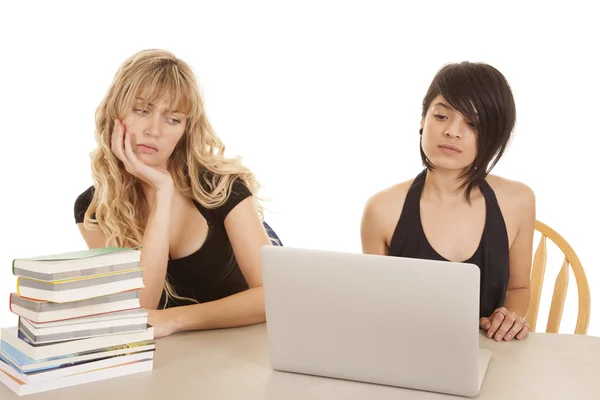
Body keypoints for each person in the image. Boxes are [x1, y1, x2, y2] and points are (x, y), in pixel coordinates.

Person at [74, 49, 282, 338]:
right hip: (174, 359)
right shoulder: (95, 208)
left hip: (250, 345)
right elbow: (139, 309)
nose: (154, 130)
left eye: (172, 119)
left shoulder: (222, 186)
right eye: (141, 110)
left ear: (185, 130)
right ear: (115, 113)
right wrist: (162, 193)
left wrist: (175, 319)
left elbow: (274, 296)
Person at [360, 62, 535, 342]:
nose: (453, 131)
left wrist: (509, 318)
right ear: (422, 119)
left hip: (489, 356)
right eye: (442, 116)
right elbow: (375, 306)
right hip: (405, 354)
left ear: (495, 133)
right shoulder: (382, 210)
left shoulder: (517, 201)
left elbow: (518, 289)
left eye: (473, 123)